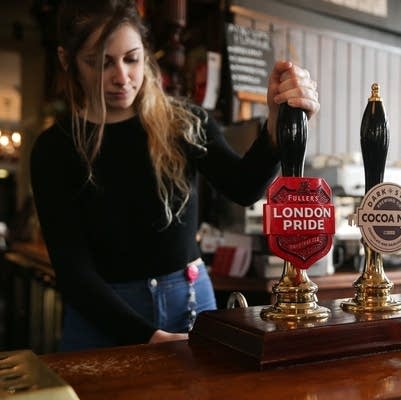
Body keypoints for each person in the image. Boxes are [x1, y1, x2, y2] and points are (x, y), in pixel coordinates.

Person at [30, 0, 320, 351]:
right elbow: (74, 272)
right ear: (67, 60)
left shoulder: (184, 121)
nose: (121, 77)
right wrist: (147, 337)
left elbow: (245, 187)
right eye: (99, 63)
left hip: (189, 302)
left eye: (131, 59)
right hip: (102, 316)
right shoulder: (55, 150)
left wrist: (275, 125)